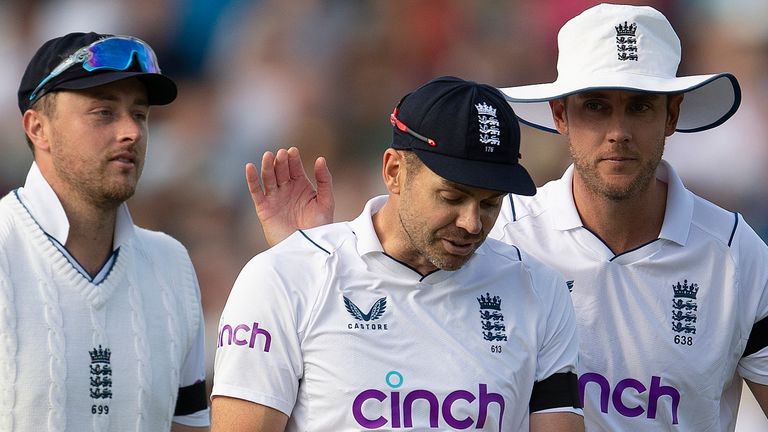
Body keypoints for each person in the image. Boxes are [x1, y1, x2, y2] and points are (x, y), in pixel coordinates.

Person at [246, 4, 768, 431]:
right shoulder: (492, 229)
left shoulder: (738, 254)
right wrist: (306, 256)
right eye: (594, 106)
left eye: (640, 107)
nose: (617, 131)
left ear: (671, 115)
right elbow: (391, 336)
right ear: (560, 115)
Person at [211, 76, 585, 431]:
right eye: (452, 197)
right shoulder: (283, 277)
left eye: (490, 203)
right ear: (394, 171)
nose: (472, 223)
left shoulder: (539, 290)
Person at [0, 32, 209, 431]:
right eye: (103, 112)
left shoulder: (173, 265)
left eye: (140, 114)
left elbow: (190, 424)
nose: (131, 131)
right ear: (37, 128)